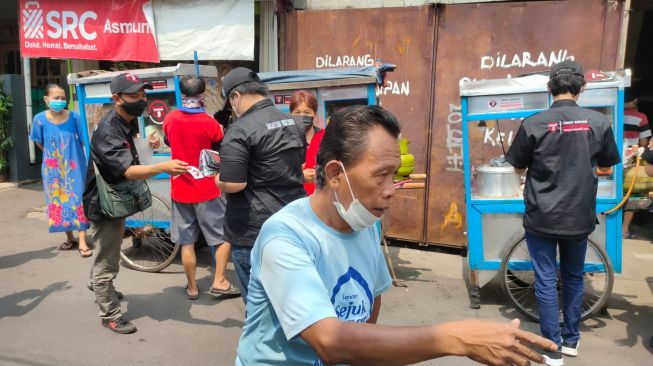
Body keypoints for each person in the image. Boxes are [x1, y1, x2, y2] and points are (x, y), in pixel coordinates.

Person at [235, 105, 557, 365]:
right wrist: (456, 338)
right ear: (335, 173)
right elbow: (329, 341)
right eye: (381, 176)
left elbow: (369, 301)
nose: (391, 191)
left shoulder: (365, 222)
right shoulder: (286, 237)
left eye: (395, 175)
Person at [505, 60, 621, 366]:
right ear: (581, 88)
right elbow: (608, 165)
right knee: (572, 277)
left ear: (549, 88)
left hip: (541, 216)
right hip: (579, 217)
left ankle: (551, 349)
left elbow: (517, 165)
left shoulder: (533, 123)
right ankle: (571, 342)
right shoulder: (598, 123)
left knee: (544, 280)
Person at [83, 73, 189, 334]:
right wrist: (163, 166)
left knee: (109, 248)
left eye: (143, 94)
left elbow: (129, 153)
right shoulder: (109, 129)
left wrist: (148, 145)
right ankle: (109, 313)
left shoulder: (125, 121)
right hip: (103, 203)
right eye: (135, 95)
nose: (141, 99)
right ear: (117, 98)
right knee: (108, 260)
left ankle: (97, 284)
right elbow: (128, 170)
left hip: (115, 198)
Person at [216, 67, 306, 301]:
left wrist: (218, 179)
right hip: (293, 222)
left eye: (229, 103)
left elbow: (233, 184)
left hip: (253, 231)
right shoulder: (294, 122)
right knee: (291, 299)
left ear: (235, 97)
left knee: (258, 306)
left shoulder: (239, 130)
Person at [162, 75, 239, 300]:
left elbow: (169, 142)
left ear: (181, 94)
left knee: (187, 242)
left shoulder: (170, 119)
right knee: (222, 237)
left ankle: (193, 287)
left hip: (180, 188)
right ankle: (219, 280)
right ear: (203, 95)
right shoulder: (209, 123)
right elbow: (219, 150)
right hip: (207, 189)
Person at [30, 84, 92, 257]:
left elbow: (83, 141)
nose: (60, 101)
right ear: (46, 99)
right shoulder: (39, 119)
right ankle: (69, 236)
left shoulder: (75, 118)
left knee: (78, 199)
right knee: (59, 200)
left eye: (63, 98)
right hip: (52, 170)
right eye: (56, 98)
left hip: (75, 166)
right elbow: (39, 141)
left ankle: (82, 241)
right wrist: (53, 157)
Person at [621, 90, 651, 239]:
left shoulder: (613, 111)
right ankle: (624, 230)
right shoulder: (641, 117)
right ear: (635, 101)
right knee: (631, 194)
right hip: (631, 159)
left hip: (611, 159)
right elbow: (644, 143)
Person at [289, 90, 324, 195]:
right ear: (290, 114)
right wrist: (299, 176)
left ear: (315, 115)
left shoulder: (326, 137)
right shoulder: (283, 140)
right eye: (297, 112)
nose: (302, 116)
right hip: (294, 200)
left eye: (307, 112)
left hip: (322, 199)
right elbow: (276, 174)